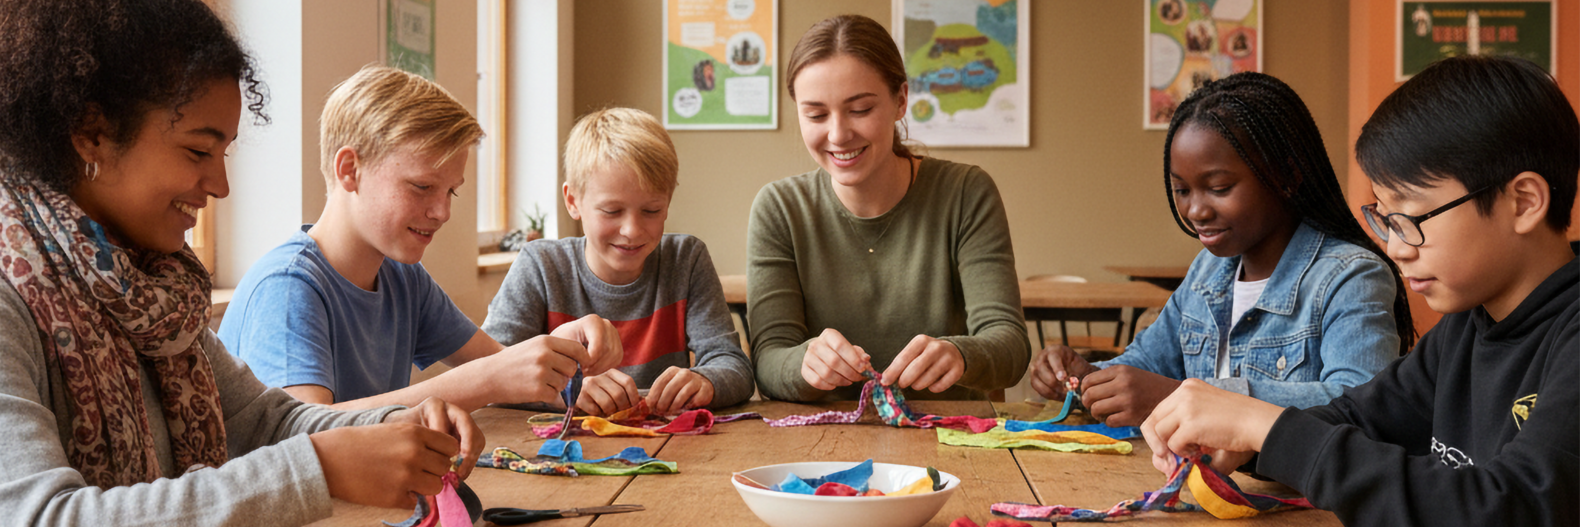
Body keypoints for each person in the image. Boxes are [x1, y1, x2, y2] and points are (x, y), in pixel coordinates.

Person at [0, 1, 482, 523]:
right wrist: (318, 467)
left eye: (223, 154)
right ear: (91, 133)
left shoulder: (153, 295)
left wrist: (396, 425)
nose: (220, 186)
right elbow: (39, 515)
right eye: (196, 151)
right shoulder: (13, 294)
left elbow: (267, 421)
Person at [1143, 56, 1580, 525]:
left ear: (1524, 202)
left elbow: (1509, 506)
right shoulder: (1467, 328)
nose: (1395, 247)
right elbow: (1361, 418)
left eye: (1411, 219)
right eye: (1385, 219)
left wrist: (1265, 428)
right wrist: (1242, 439)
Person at [218, 66, 621, 411]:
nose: (442, 212)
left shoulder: (401, 277)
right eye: (422, 186)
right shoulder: (287, 288)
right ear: (349, 170)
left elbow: (499, 364)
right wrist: (484, 381)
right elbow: (306, 434)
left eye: (451, 191)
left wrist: (559, 361)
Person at [1028, 72, 1412, 427]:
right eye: (1182, 190)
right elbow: (1146, 364)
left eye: (1219, 187)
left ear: (1289, 176)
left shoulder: (1350, 276)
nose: (1196, 210)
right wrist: (1083, 377)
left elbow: (1361, 406)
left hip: (1293, 498)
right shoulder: (1208, 272)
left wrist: (1188, 398)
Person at [748, 14, 1029, 402]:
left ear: (900, 101)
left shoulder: (965, 192)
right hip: (819, 443)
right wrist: (802, 363)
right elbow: (767, 359)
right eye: (815, 114)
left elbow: (1009, 346)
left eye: (860, 109)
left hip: (949, 441)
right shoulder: (779, 208)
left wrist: (961, 354)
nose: (837, 134)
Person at [482, 108, 753, 416]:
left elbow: (734, 366)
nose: (632, 230)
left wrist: (705, 381)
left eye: (651, 210)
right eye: (611, 211)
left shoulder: (686, 260)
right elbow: (489, 374)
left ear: (667, 204)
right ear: (573, 201)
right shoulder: (541, 266)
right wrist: (564, 393)